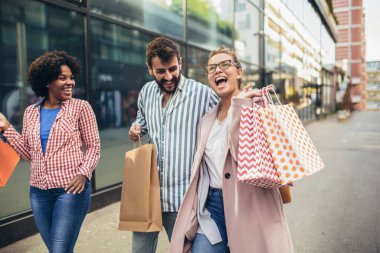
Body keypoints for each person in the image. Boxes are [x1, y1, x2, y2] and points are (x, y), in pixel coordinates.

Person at [170, 46, 294, 253]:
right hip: (213, 208)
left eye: (225, 64)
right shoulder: (207, 119)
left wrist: (240, 105)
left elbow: (243, 153)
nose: (218, 70)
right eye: (212, 68)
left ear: (239, 72)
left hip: (249, 204)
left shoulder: (258, 108)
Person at [0, 51, 101, 253]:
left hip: (71, 190)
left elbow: (94, 147)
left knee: (59, 250)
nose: (70, 82)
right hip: (38, 193)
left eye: (71, 77)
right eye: (62, 77)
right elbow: (28, 154)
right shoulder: (30, 112)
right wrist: (6, 128)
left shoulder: (81, 108)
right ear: (47, 81)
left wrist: (83, 173)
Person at [128, 36, 219, 252]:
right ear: (150, 69)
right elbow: (142, 121)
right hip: (148, 195)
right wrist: (136, 128)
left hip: (182, 199)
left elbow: (225, 121)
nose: (168, 76)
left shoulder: (202, 95)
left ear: (181, 62)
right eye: (161, 71)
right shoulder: (146, 93)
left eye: (173, 69)